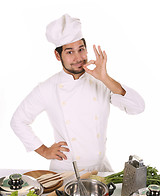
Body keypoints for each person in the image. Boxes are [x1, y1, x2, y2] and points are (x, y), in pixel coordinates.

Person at [10, 14, 145, 172]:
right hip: (66, 171)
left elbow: (138, 107)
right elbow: (18, 121)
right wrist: (44, 151)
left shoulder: (100, 82)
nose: (78, 58)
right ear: (57, 55)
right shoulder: (48, 88)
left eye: (81, 49)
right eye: (69, 52)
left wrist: (105, 77)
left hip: (101, 168)